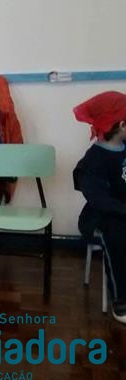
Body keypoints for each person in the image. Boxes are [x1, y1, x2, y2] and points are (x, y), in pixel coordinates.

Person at [73, 91, 126, 323]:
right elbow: (98, 199)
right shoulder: (93, 160)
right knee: (118, 239)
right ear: (122, 125)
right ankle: (121, 301)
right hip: (99, 215)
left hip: (121, 208)